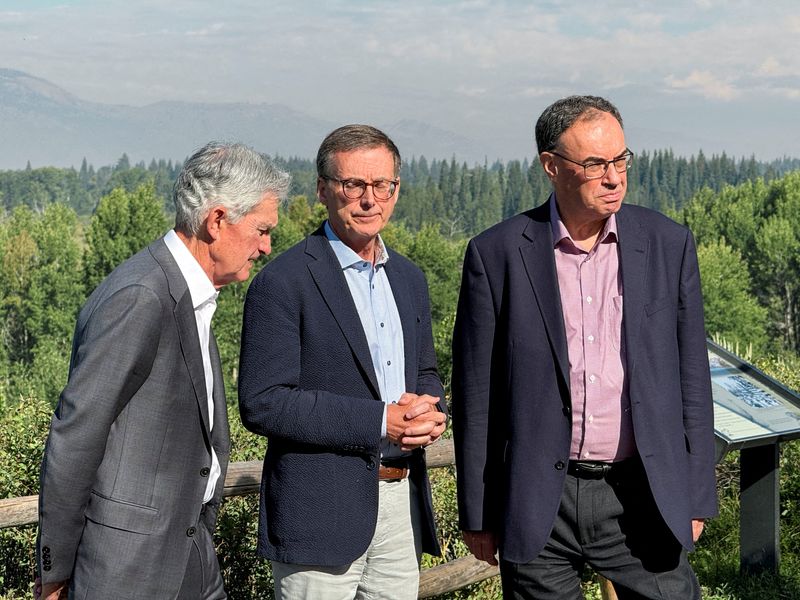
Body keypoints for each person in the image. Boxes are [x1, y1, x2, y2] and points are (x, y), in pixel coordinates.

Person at [452, 95, 717, 599]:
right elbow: (476, 395)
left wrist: (697, 492)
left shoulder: (667, 243)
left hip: (642, 497)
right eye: (595, 163)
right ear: (551, 166)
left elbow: (691, 380)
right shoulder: (497, 253)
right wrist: (479, 511)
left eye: (621, 160)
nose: (614, 176)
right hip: (537, 502)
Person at [35, 142, 290, 600]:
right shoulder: (141, 296)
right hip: (127, 571)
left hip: (190, 555)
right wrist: (55, 567)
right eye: (262, 230)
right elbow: (77, 433)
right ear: (216, 221)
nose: (267, 246)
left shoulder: (189, 294)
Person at [239, 124, 447, 599]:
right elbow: (263, 402)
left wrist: (432, 411)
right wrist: (382, 421)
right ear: (322, 190)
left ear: (396, 190)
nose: (369, 199)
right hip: (319, 516)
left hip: (401, 504)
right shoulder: (283, 282)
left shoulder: (409, 280)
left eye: (382, 185)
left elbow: (427, 373)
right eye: (353, 184)